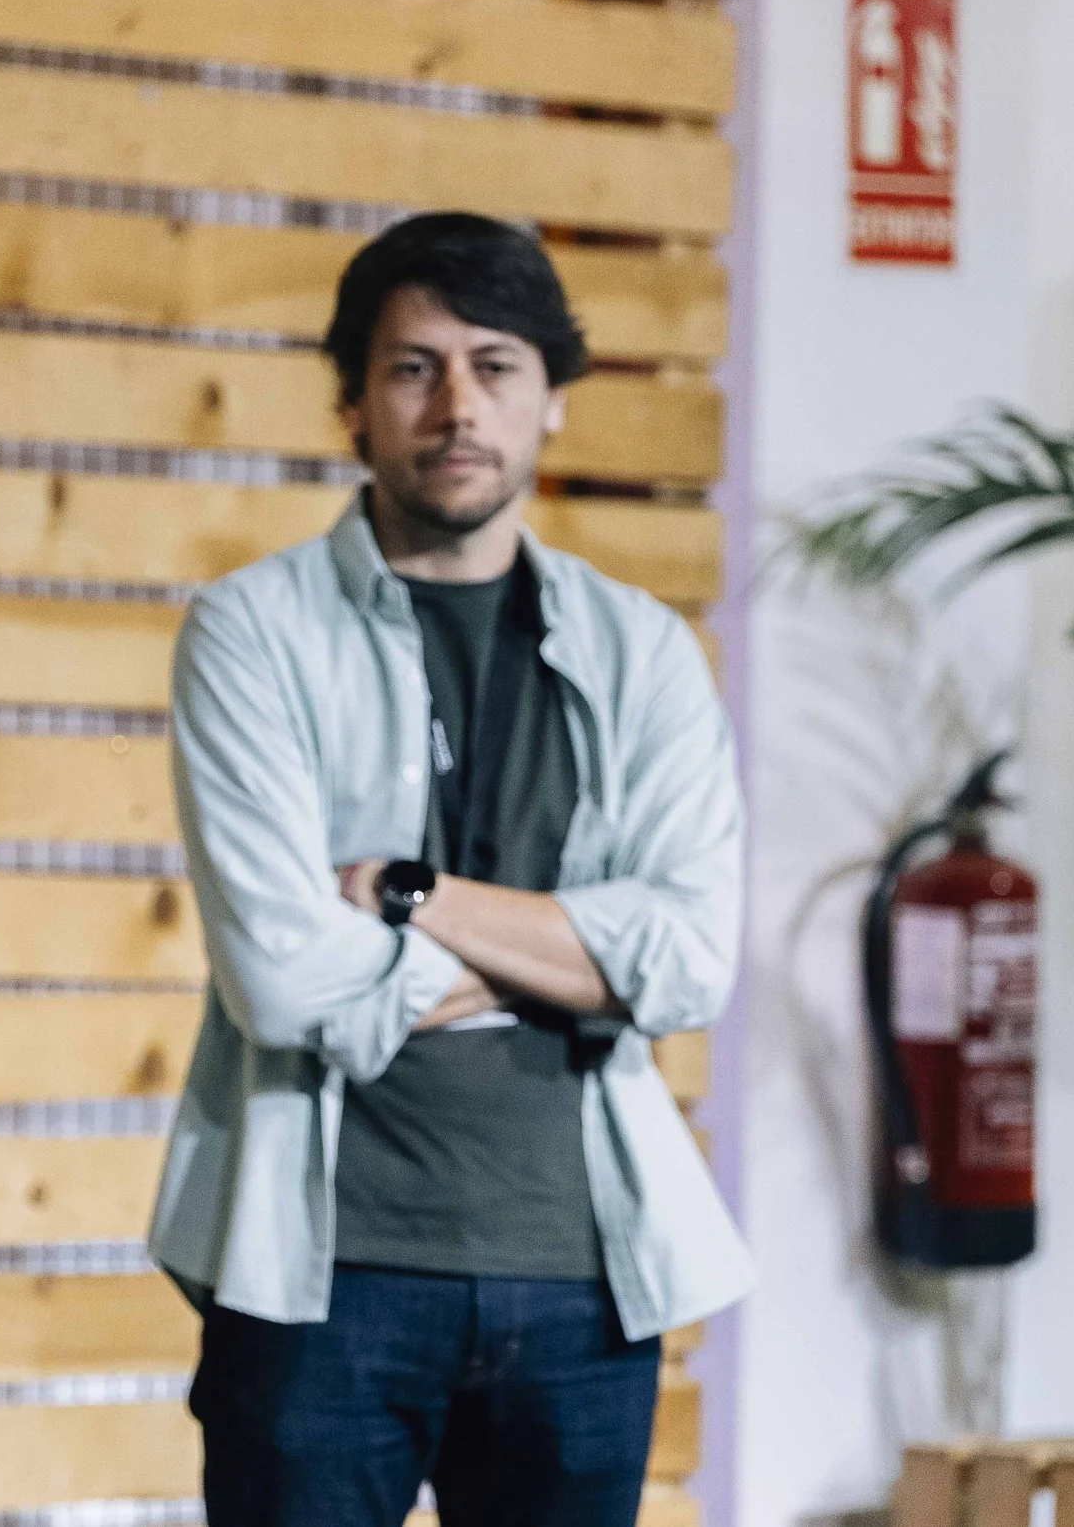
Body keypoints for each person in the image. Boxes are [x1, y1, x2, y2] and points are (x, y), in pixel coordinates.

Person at [148, 213, 753, 1526]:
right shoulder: (252, 633)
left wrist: (412, 899)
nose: (458, 406)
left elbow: (694, 960)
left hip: (584, 1273)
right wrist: (569, 958)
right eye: (415, 368)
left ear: (553, 400)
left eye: (496, 365)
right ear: (353, 402)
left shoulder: (645, 652)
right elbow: (284, 978)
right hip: (321, 1273)